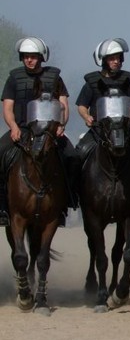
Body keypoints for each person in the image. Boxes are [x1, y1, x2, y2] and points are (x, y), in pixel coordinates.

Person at [0, 37, 79, 226]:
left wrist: (61, 124)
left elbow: (63, 105)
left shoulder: (54, 78)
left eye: (33, 57)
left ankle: (67, 203)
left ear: (41, 58)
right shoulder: (14, 79)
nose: (29, 60)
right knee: (0, 154)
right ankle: (2, 207)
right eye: (26, 56)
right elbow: (8, 108)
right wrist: (13, 127)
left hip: (49, 131)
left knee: (72, 157)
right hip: (22, 130)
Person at [74, 38, 130, 213]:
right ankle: (75, 195)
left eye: (118, 58)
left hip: (123, 129)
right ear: (103, 60)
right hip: (98, 131)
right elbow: (81, 105)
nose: (116, 61)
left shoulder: (126, 80)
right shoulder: (92, 81)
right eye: (112, 58)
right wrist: (86, 116)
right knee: (78, 154)